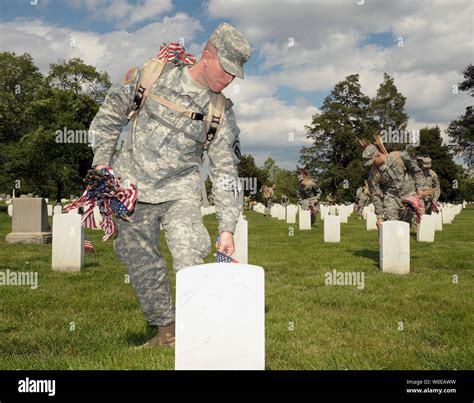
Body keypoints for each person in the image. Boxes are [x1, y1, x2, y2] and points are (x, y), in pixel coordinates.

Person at [89, 23, 251, 347]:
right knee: (141, 265)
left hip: (181, 192)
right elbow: (109, 116)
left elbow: (224, 171)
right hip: (132, 187)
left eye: (236, 75)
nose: (229, 79)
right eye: (226, 70)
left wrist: (228, 227)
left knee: (190, 255)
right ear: (208, 56)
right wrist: (101, 165)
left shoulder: (219, 110)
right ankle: (167, 332)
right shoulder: (152, 75)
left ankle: (200, 334)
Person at [363, 144, 427, 228]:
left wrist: (420, 188)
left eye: (373, 161)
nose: (372, 165)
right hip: (391, 198)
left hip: (410, 195)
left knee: (411, 224)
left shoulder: (399, 156)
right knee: (392, 226)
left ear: (378, 155)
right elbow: (376, 195)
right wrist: (379, 217)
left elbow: (416, 172)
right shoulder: (373, 174)